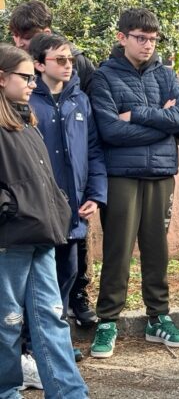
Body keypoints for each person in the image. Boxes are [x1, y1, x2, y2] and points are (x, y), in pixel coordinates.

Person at [89, 8, 179, 358]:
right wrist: (161, 124)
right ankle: (107, 321)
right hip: (122, 176)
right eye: (140, 38)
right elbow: (110, 131)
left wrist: (137, 115)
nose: (148, 45)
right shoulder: (104, 77)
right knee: (117, 250)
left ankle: (158, 317)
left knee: (157, 249)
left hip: (161, 174)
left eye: (153, 39)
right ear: (122, 38)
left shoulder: (166, 74)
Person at [0, 43, 89, 398]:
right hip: (10, 238)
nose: (33, 84)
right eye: (25, 77)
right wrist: (10, 207)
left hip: (41, 234)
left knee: (51, 316)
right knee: (7, 321)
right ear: (1, 78)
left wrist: (58, 207)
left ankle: (70, 394)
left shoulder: (26, 120)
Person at [9, 0, 99, 327]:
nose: (19, 42)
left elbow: (90, 121)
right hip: (32, 187)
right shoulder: (14, 65)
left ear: (45, 32)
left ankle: (77, 299)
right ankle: (33, 332)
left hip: (72, 182)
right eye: (15, 36)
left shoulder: (77, 65)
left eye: (27, 37)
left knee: (73, 251)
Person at [28, 33, 107, 363]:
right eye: (59, 60)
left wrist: (96, 195)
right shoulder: (27, 102)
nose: (68, 65)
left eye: (70, 60)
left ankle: (57, 345)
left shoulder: (80, 100)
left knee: (66, 275)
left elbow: (93, 150)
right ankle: (32, 348)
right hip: (38, 210)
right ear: (38, 64)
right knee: (37, 283)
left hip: (72, 211)